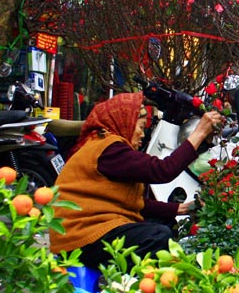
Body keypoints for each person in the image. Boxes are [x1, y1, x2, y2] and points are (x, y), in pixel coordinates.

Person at [50, 92, 224, 269]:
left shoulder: (106, 146)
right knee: (158, 236)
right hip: (81, 239)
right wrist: (200, 132)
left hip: (90, 231)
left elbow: (133, 202)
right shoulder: (110, 150)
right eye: (140, 127)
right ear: (125, 122)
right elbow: (163, 171)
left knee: (163, 224)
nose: (142, 134)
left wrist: (180, 209)